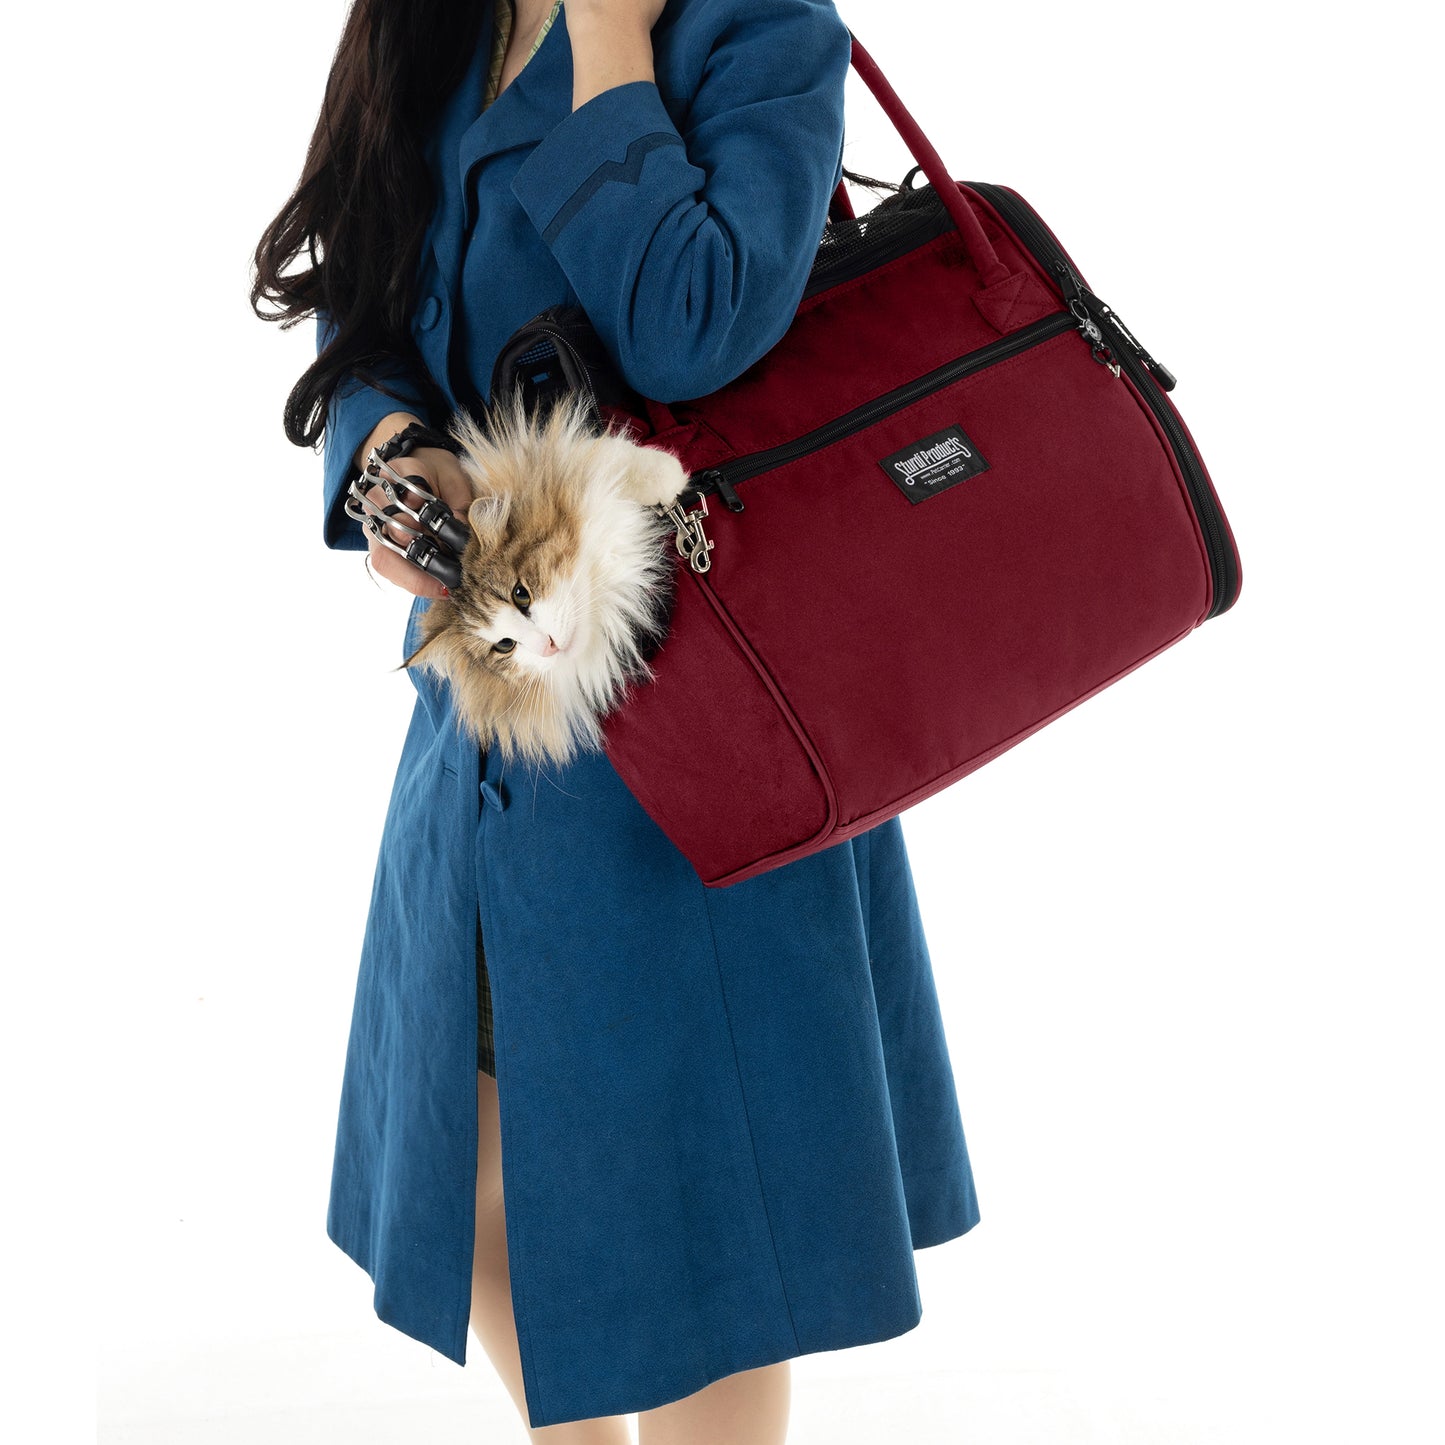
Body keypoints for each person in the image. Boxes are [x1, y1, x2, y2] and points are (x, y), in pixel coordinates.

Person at [251, 1, 980, 1439]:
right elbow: (366, 283)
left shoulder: (758, 27)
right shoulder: (435, 17)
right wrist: (388, 450)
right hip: (489, 710)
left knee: (712, 1218)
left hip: (704, 718)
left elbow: (692, 322)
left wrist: (606, 41)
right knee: (469, 1182)